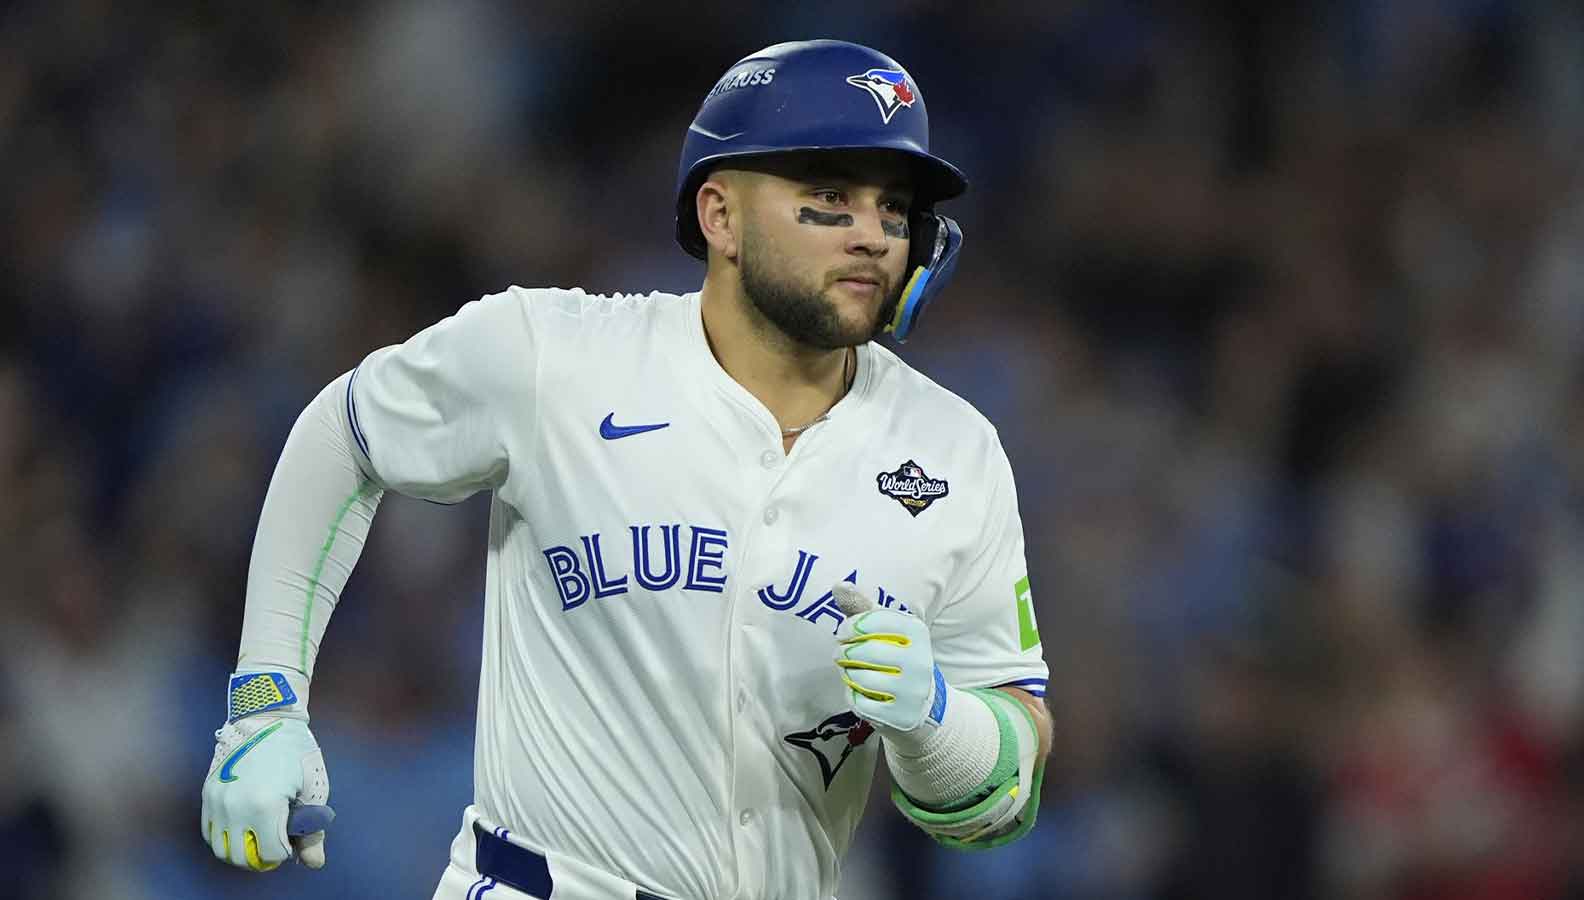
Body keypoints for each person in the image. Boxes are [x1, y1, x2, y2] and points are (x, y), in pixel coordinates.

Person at [200, 39, 1052, 900]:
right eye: (829, 197)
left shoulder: (954, 452)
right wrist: (265, 703)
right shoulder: (553, 357)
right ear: (720, 216)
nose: (873, 234)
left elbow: (1003, 797)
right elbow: (342, 434)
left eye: (895, 208)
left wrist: (937, 724)